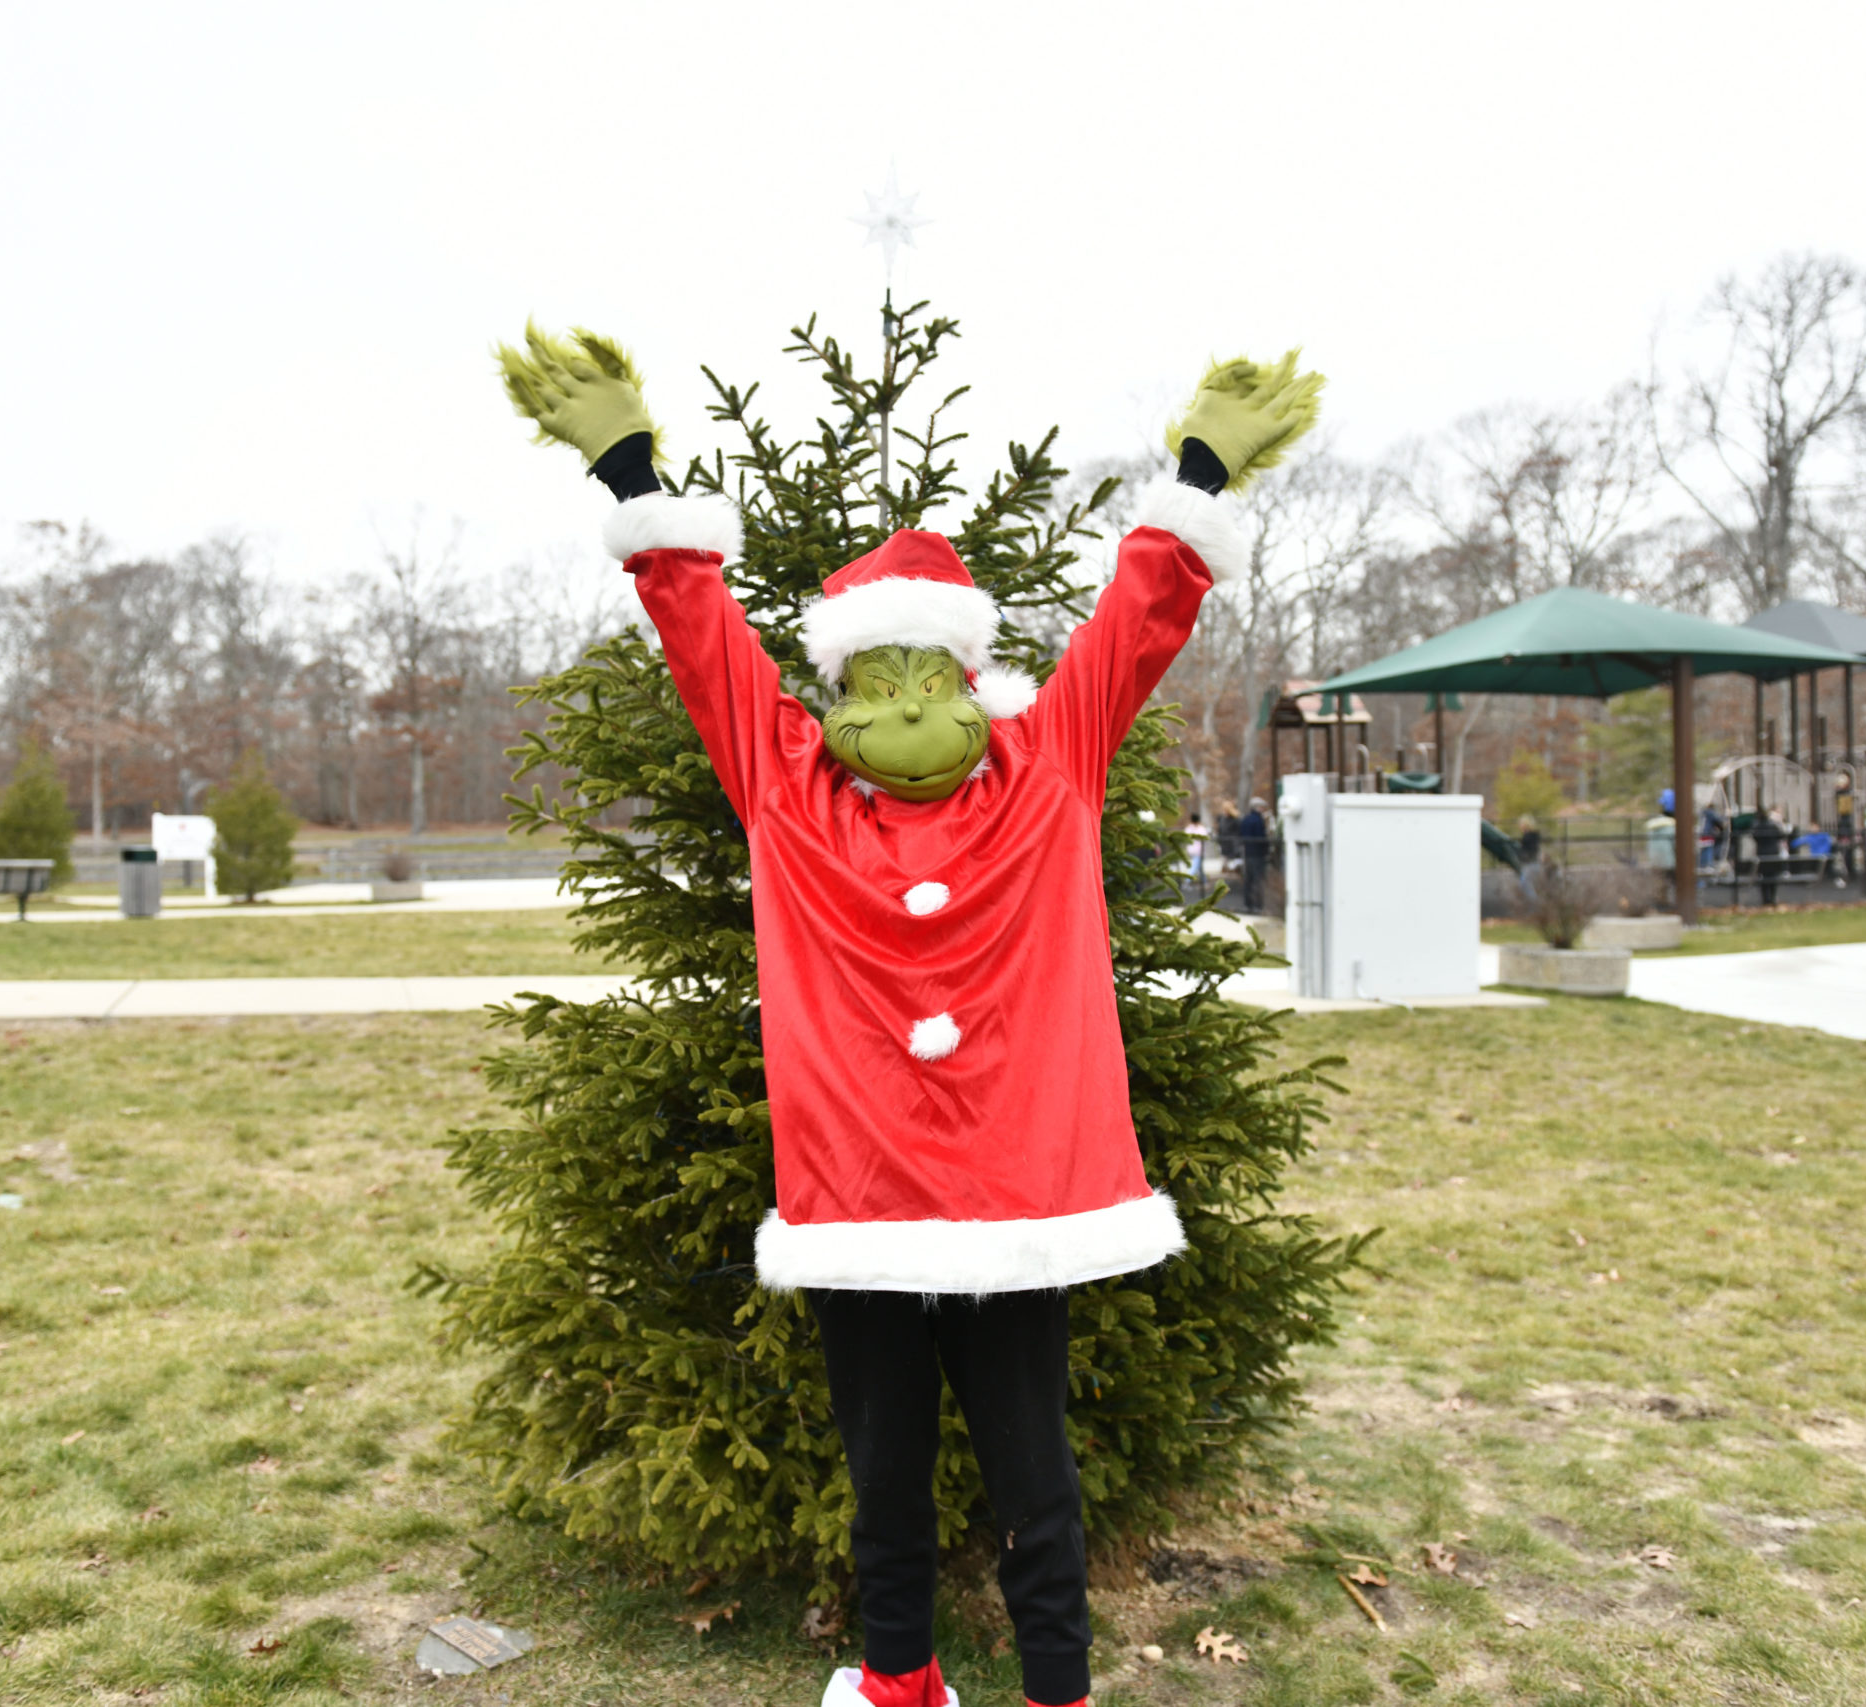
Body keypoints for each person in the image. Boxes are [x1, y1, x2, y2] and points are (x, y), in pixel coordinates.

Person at [499, 324, 1321, 1707]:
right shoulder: (787, 787)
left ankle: (1056, 1691)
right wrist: (632, 472)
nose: (899, 710)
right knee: (881, 1478)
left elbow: (1132, 632)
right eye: (867, 685)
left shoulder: (1044, 767)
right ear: (835, 698)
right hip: (862, 1201)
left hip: (1018, 1200)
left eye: (922, 678)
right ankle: (900, 1682)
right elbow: (707, 646)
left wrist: (1196, 479)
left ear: (970, 679)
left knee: (1033, 1479)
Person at [1237, 795, 1271, 914]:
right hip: (1258, 853)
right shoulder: (1258, 820)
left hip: (1247, 852)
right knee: (1258, 879)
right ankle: (1258, 904)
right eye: (1262, 807)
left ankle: (1248, 904)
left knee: (1248, 879)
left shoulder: (1245, 819)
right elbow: (1261, 836)